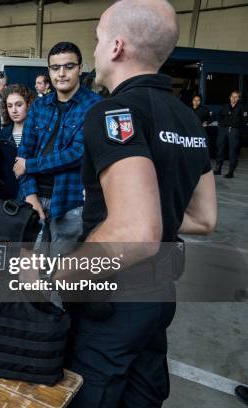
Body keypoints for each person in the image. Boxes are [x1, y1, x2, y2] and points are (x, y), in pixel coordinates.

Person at [55, 1, 217, 406]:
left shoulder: (114, 112)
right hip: (157, 297)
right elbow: (203, 217)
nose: (93, 51)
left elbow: (138, 232)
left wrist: (65, 273)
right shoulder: (187, 118)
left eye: (97, 40)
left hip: (112, 299)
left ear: (116, 47)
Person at [13, 42, 101, 256]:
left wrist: (30, 165)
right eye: (55, 68)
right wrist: (30, 195)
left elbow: (77, 154)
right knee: (27, 272)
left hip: (70, 201)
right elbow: (22, 155)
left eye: (69, 66)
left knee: (61, 274)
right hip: (33, 198)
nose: (61, 73)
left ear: (80, 68)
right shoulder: (39, 106)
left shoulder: (95, 106)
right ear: (49, 70)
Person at [0, 84, 35, 200]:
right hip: (9, 198)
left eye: (19, 105)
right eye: (9, 106)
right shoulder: (2, 136)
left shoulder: (38, 133)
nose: (14, 110)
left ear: (28, 104)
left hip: (34, 196)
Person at [215, 90, 246, 178]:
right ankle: (218, 169)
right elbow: (219, 116)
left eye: (236, 97)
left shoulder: (242, 108)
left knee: (233, 151)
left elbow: (245, 121)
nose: (234, 98)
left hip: (234, 131)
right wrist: (220, 126)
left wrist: (238, 130)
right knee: (220, 148)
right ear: (230, 97)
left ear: (239, 98)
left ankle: (231, 172)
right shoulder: (225, 107)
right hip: (223, 130)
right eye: (232, 96)